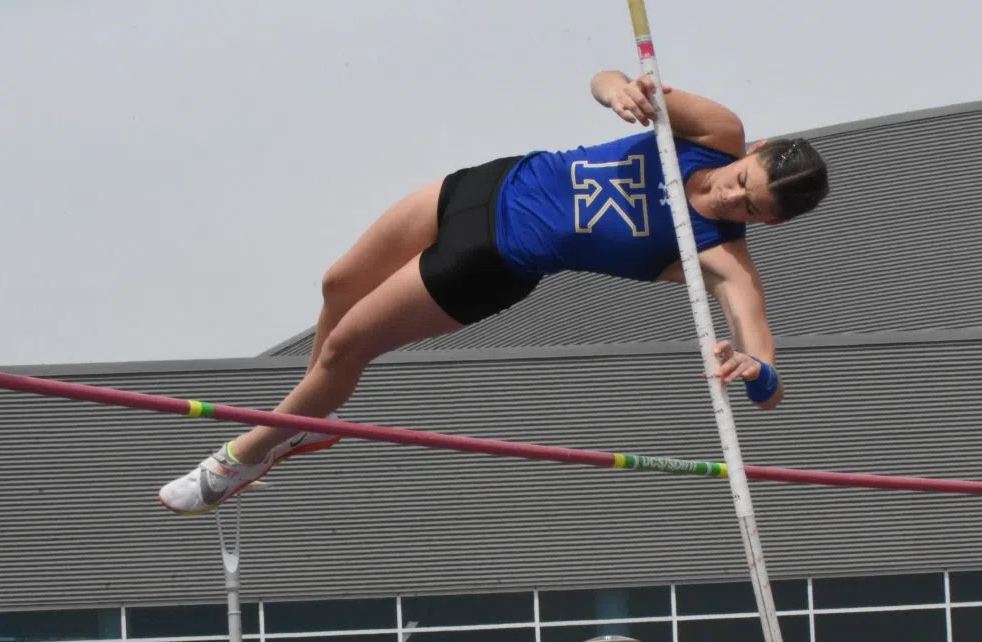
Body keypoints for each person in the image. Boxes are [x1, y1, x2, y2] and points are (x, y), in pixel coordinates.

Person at [158, 69, 830, 515]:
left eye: (749, 206)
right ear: (754, 149)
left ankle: (235, 463)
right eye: (743, 178)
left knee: (343, 346)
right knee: (337, 284)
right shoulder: (716, 133)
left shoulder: (719, 257)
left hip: (490, 261)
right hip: (486, 185)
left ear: (765, 223)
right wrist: (620, 90)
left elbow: (768, 374)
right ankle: (305, 423)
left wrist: (754, 370)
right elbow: (607, 79)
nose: (730, 194)